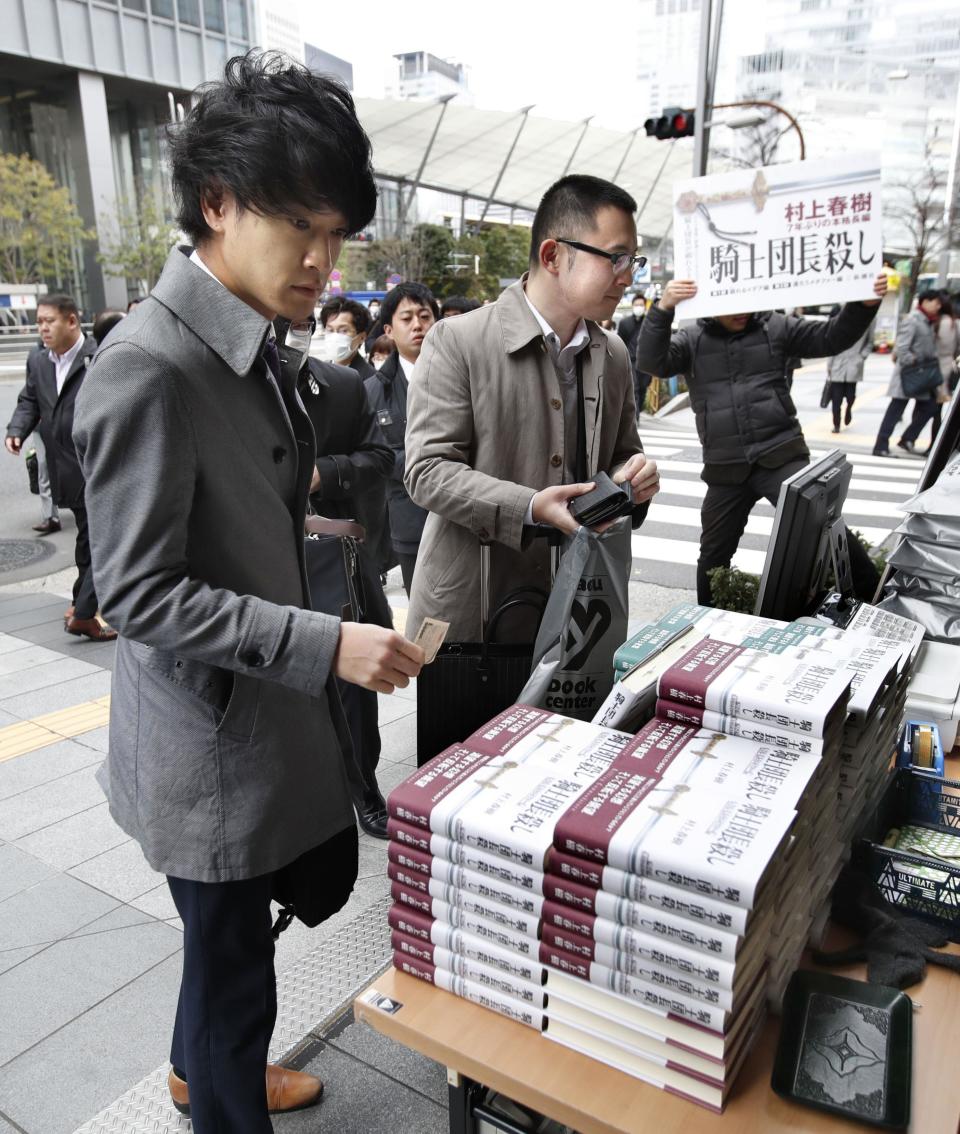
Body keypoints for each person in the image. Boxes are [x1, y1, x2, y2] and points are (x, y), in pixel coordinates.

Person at [72, 52, 424, 1133]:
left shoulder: (246, 341)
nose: (325, 261)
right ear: (216, 204)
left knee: (226, 949)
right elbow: (137, 593)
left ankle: (198, 1069)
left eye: (337, 235)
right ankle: (221, 1097)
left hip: (247, 730)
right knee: (234, 977)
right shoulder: (150, 366)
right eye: (301, 229)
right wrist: (325, 642)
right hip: (207, 754)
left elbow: (236, 502)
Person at [404, 173, 659, 643]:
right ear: (553, 256)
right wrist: (530, 507)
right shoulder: (457, 341)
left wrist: (634, 475)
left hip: (576, 610)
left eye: (634, 260)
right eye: (616, 258)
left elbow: (622, 452)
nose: (628, 276)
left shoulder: (614, 353)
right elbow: (427, 471)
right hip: (473, 612)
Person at [636, 275, 887, 606]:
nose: (741, 311)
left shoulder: (776, 326)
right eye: (731, 304)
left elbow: (830, 337)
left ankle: (878, 598)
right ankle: (707, 618)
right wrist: (663, 308)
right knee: (713, 551)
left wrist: (862, 306)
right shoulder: (692, 339)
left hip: (780, 452)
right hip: (725, 466)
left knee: (823, 525)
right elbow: (652, 361)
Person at [290, 318, 394, 839]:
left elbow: (378, 457)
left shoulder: (343, 384)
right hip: (260, 559)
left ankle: (363, 789)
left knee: (351, 677)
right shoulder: (226, 386)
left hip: (331, 556)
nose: (290, 332)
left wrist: (321, 472)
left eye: (301, 324)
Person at [5, 294, 116, 640]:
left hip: (99, 465)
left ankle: (83, 611)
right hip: (64, 467)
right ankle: (81, 603)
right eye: (38, 322)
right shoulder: (38, 360)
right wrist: (16, 430)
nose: (42, 328)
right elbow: (30, 398)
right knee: (88, 539)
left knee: (104, 540)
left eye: (48, 321)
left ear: (71, 321)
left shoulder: (99, 356)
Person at [363, 281, 439, 596]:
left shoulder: (468, 376)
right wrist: (438, 462)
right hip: (410, 522)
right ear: (389, 330)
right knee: (424, 616)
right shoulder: (373, 390)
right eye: (406, 319)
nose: (418, 325)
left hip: (467, 520)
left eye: (425, 316)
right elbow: (378, 455)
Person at [873, 288, 941, 456]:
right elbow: (902, 349)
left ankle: (907, 438)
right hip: (908, 375)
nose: (938, 306)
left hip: (920, 377)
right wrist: (916, 361)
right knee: (895, 411)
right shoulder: (913, 320)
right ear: (925, 301)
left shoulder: (928, 321)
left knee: (931, 407)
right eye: (936, 302)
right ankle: (881, 445)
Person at [909, 290, 959, 453]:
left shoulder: (933, 322)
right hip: (946, 369)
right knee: (936, 410)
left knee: (924, 406)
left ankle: (911, 438)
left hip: (929, 370)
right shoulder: (955, 324)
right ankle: (932, 446)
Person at [826, 308, 872, 432]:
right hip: (837, 364)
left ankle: (849, 410)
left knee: (850, 396)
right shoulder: (838, 323)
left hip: (854, 364)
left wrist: (861, 357)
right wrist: (829, 366)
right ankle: (836, 424)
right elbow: (831, 344)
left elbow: (870, 342)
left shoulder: (867, 322)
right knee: (836, 399)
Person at [320, 296, 376, 379]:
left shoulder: (370, 379)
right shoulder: (319, 372)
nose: (335, 336)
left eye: (343, 331)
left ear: (362, 337)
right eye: (330, 330)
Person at [616, 293, 653, 415]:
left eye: (641, 305)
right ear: (632, 306)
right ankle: (634, 417)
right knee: (634, 388)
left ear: (645, 306)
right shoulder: (625, 323)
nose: (639, 307)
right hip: (630, 360)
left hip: (646, 362)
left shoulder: (649, 323)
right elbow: (621, 341)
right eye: (636, 304)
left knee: (643, 388)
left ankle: (638, 410)